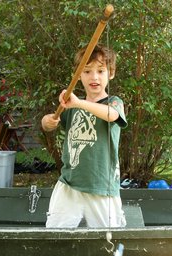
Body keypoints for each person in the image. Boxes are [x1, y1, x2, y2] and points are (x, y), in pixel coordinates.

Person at [41, 44, 127, 228]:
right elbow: (49, 123)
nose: (94, 77)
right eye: (87, 71)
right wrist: (47, 121)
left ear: (110, 73)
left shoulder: (113, 102)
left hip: (102, 187)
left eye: (100, 71)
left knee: (107, 239)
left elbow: (111, 115)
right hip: (70, 184)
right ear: (78, 75)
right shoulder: (72, 106)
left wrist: (79, 103)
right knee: (55, 235)